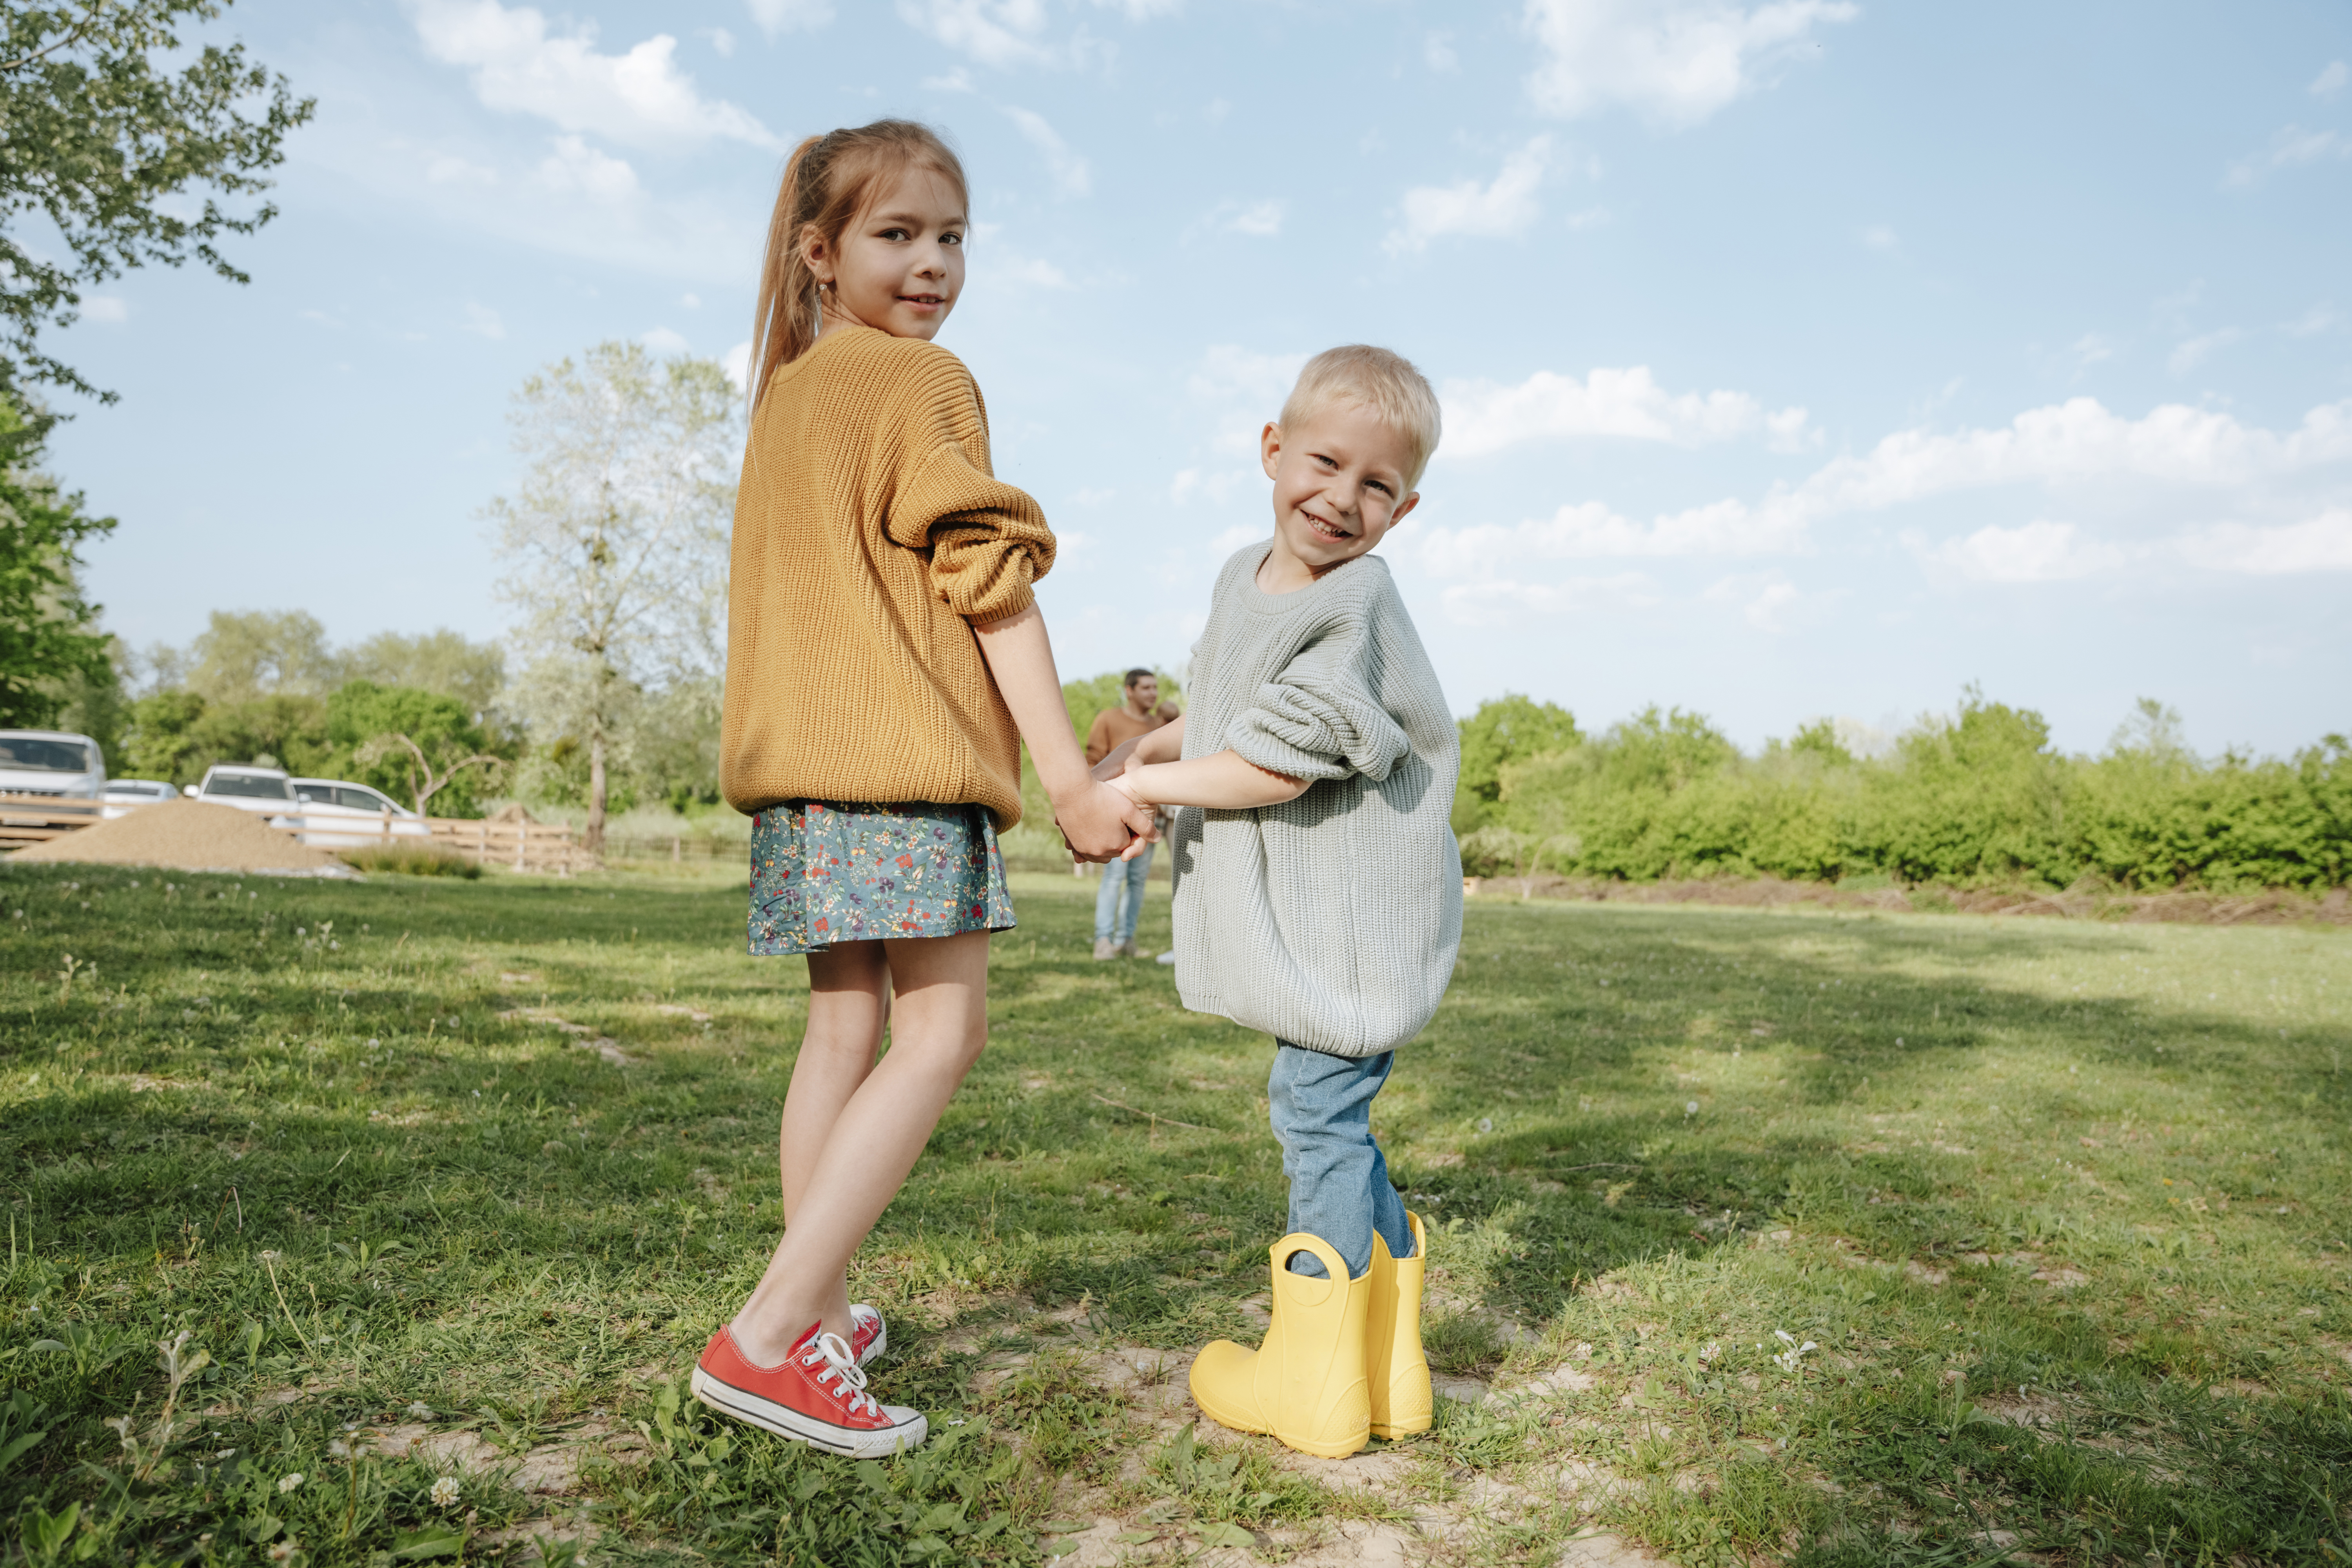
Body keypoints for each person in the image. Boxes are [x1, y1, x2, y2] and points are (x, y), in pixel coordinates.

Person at [697, 120, 1156, 1460]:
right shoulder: (921, 379)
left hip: (804, 787)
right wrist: (1071, 782)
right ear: (820, 252)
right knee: (943, 1034)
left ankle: (821, 1315)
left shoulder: (789, 394)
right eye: (897, 234)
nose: (934, 264)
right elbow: (990, 586)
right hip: (898, 775)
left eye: (952, 237)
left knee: (844, 1034)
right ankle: (769, 1337)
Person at [1096, 346, 1459, 1459]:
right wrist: (1152, 751)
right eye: (1325, 463)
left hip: (1353, 925)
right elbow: (1231, 712)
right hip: (1321, 923)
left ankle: (1312, 1380)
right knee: (1336, 1120)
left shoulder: (1358, 603)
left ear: (1404, 510)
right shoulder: (1242, 577)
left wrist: (1143, 788)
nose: (1342, 498)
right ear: (1272, 449)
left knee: (1315, 1117)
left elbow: (1273, 765)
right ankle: (1386, 1371)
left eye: (1377, 485)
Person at [1084, 669, 1173, 959]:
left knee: (1137, 880)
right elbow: (1093, 761)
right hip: (1117, 812)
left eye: (1155, 688)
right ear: (1129, 690)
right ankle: (1103, 941)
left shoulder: (1159, 724)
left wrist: (1171, 715)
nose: (1153, 693)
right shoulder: (1108, 719)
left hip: (1150, 816)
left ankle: (1127, 941)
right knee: (1113, 877)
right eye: (1146, 688)